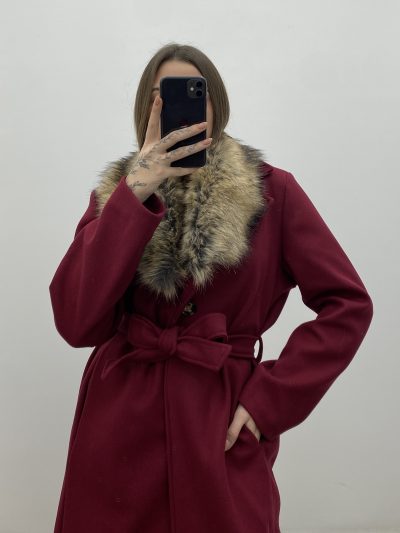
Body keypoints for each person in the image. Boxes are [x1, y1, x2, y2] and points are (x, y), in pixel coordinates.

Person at [49, 42, 373, 533]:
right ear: (146, 108)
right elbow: (76, 322)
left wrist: (269, 402)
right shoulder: (116, 196)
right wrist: (135, 194)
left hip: (218, 423)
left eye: (193, 93)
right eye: (161, 96)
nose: (178, 107)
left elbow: (348, 304)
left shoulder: (272, 191)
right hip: (120, 427)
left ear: (216, 103)